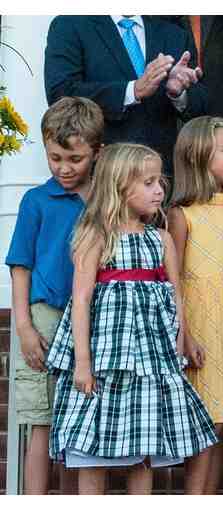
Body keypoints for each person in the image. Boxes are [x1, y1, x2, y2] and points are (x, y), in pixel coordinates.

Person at [45, 143, 218, 494]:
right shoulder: (96, 236)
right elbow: (80, 300)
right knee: (93, 451)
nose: (159, 190)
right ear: (120, 188)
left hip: (149, 360)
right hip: (104, 358)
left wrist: (183, 340)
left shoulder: (162, 239)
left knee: (141, 451)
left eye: (160, 182)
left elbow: (175, 295)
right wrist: (82, 361)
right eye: (149, 182)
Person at [4, 96, 103, 494]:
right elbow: (20, 267)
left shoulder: (106, 201)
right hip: (44, 317)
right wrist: (24, 327)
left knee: (82, 425)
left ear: (98, 152)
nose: (64, 168)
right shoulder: (36, 201)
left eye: (75, 159)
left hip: (93, 318)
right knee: (41, 422)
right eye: (55, 157)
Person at [167, 117, 223, 494]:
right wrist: (183, 335)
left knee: (222, 424)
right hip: (199, 327)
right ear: (198, 155)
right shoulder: (181, 214)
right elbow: (173, 283)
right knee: (205, 422)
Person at [44, 15, 207, 176]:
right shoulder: (70, 25)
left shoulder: (174, 32)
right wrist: (132, 91)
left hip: (160, 178)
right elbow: (60, 94)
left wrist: (178, 93)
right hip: (102, 175)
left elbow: (200, 108)